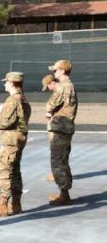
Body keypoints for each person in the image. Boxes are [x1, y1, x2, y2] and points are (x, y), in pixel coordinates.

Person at [0, 72, 31, 217]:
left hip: (10, 141)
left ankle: (3, 206)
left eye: (6, 82)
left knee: (4, 172)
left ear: (12, 83)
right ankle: (16, 204)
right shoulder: (23, 99)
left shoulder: (12, 100)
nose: (4, 84)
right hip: (19, 139)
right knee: (15, 172)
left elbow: (4, 123)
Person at [45, 59, 77, 206]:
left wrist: (48, 109)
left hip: (61, 126)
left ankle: (64, 194)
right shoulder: (70, 85)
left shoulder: (63, 86)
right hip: (66, 126)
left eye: (56, 70)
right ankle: (64, 192)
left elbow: (51, 104)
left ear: (63, 71)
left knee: (57, 161)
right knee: (63, 159)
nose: (54, 73)